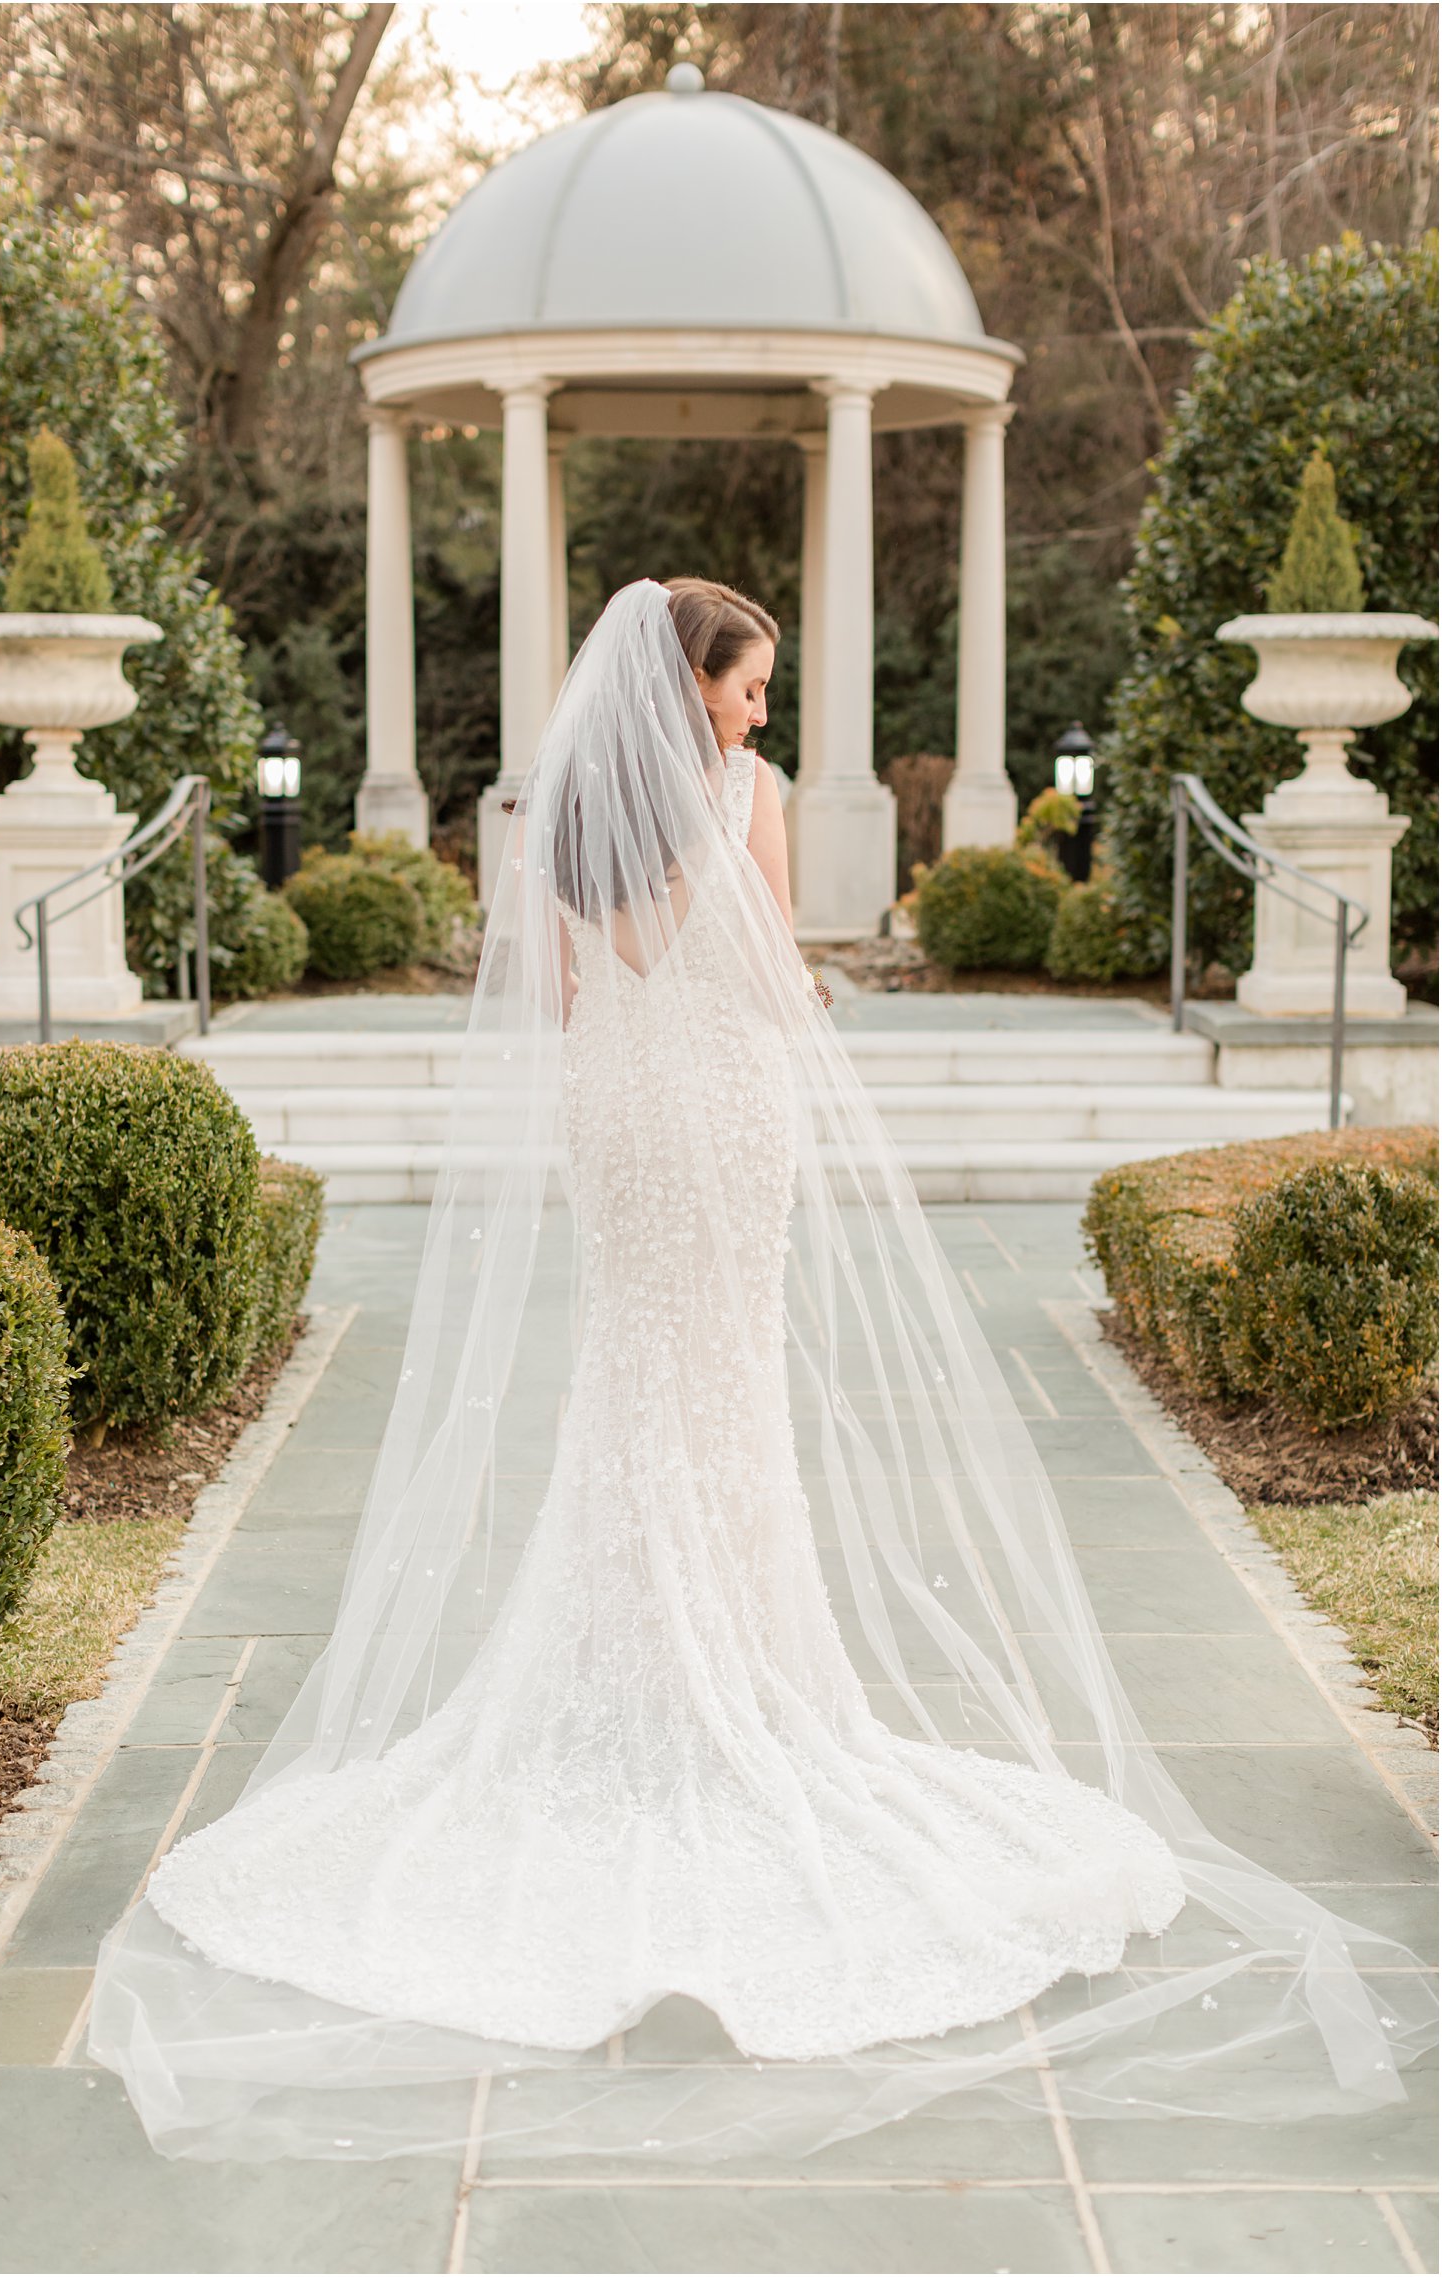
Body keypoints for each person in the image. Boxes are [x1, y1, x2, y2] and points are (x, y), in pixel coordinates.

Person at [89, 577, 1433, 2164]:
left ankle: (667, 1658)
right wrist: (754, 924)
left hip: (647, 1106)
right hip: (706, 1106)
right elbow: (751, 971)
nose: (759, 715)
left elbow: (588, 992)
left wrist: (713, 976)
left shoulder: (571, 808)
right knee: (694, 1378)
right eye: (746, 690)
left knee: (663, 1379)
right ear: (694, 688)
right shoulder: (725, 799)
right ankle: (705, 1667)